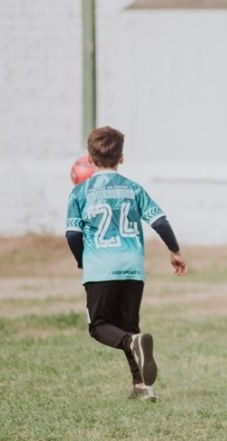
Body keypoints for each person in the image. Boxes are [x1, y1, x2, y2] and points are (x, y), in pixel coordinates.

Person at [65, 126, 187, 402]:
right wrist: (175, 251)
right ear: (122, 158)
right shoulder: (133, 188)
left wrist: (82, 260)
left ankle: (133, 347)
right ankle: (143, 387)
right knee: (129, 326)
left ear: (90, 158)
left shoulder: (80, 193)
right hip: (133, 268)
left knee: (99, 326)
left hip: (101, 267)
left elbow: (72, 235)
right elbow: (160, 222)